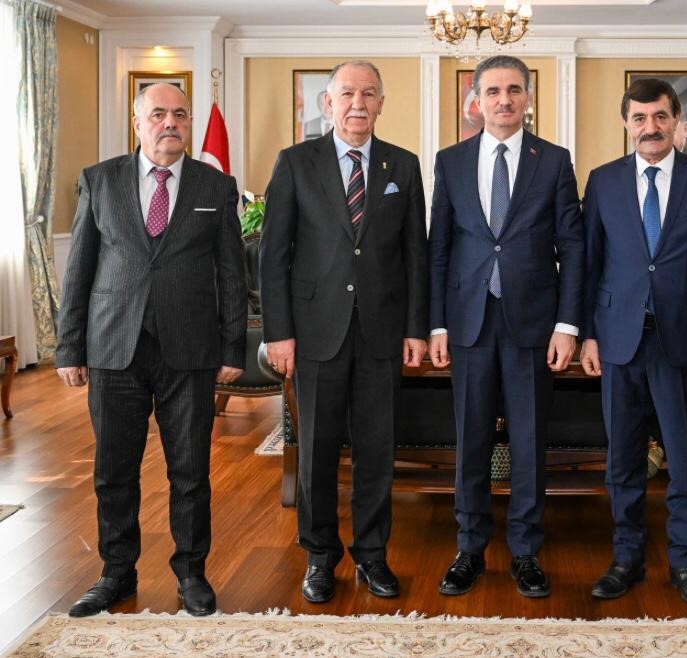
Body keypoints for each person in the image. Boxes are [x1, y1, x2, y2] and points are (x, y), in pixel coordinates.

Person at [56, 83, 247, 618]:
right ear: (137, 122)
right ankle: (116, 573)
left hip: (190, 349)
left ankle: (191, 573)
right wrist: (69, 346)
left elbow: (232, 273)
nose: (170, 123)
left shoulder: (216, 184)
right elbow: (79, 268)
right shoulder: (100, 179)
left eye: (180, 114)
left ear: (189, 124)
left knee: (190, 472)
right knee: (113, 470)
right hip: (113, 346)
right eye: (158, 114)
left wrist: (233, 347)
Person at [259, 60, 429, 603]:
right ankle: (319, 556)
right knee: (316, 449)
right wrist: (279, 333)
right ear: (328, 103)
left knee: (377, 449)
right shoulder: (295, 162)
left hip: (382, 331)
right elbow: (273, 256)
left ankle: (373, 555)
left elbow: (416, 255)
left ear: (381, 104)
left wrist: (416, 328)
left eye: (369, 93)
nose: (359, 103)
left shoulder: (404, 165)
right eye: (348, 93)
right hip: (315, 332)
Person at [580, 77, 687, 607]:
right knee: (622, 458)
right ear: (626, 124)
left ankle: (685, 561)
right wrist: (588, 334)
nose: (651, 127)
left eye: (660, 117)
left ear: (677, 122)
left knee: (685, 457)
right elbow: (589, 264)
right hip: (618, 340)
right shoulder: (603, 181)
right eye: (640, 118)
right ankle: (626, 557)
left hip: (685, 341)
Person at [428, 55, 582, 599]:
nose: (504, 100)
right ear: (477, 100)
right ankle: (469, 549)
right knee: (470, 440)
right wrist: (436, 325)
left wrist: (568, 325)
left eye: (514, 89)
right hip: (468, 323)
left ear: (528, 97)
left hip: (534, 325)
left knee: (529, 440)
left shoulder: (554, 161)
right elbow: (439, 249)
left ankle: (525, 552)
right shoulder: (450, 162)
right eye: (493, 91)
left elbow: (573, 247)